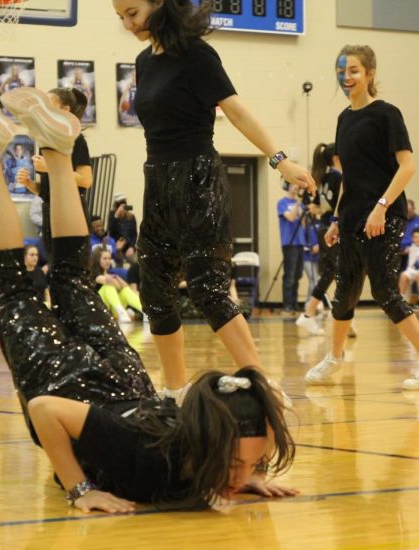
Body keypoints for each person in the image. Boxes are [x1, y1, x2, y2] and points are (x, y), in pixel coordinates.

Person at [0, 90, 297, 511]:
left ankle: (60, 152)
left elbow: (261, 415)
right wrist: (80, 489)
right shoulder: (148, 455)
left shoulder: (207, 427)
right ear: (210, 441)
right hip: (68, 388)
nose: (242, 476)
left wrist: (251, 474)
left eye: (251, 465)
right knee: (12, 286)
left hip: (126, 379)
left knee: (73, 279)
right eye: (237, 464)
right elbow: (45, 410)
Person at [113, 0, 314, 398]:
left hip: (198, 181)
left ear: (159, 4)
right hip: (158, 183)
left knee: (208, 289)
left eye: (132, 13)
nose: (127, 24)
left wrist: (280, 161)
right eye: (120, 17)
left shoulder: (196, 54)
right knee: (154, 291)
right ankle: (176, 392)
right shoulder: (143, 61)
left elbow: (236, 110)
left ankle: (263, 386)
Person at [305, 45, 419, 390]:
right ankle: (334, 357)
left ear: (370, 73)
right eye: (342, 71)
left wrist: (382, 206)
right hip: (353, 217)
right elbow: (349, 177)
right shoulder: (344, 119)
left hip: (384, 215)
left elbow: (407, 166)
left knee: (385, 290)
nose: (346, 77)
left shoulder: (387, 114)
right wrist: (338, 220)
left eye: (353, 70)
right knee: (345, 292)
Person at [17, 88, 93, 253]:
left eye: (48, 105)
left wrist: (51, 167)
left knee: (70, 266)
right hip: (49, 210)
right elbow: (47, 190)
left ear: (65, 110)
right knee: (54, 266)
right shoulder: (46, 141)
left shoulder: (76, 139)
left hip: (71, 210)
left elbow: (86, 180)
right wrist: (30, 184)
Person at [296, 142, 349, 336]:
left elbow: (316, 207)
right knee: (340, 273)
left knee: (332, 273)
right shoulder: (339, 177)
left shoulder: (324, 177)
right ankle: (313, 315)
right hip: (334, 230)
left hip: (323, 228)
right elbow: (342, 205)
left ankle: (342, 318)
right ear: (337, 157)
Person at [90, 245, 143, 323]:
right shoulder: (93, 274)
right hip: (100, 309)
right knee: (108, 286)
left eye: (109, 258)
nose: (108, 261)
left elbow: (126, 287)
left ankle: (145, 312)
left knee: (125, 291)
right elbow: (106, 281)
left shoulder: (112, 274)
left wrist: (117, 277)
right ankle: (121, 311)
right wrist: (116, 281)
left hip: (113, 310)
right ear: (97, 260)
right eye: (105, 258)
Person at [277, 184, 306, 314]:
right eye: (293, 185)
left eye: (297, 185)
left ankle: (294, 303)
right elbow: (290, 217)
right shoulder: (282, 203)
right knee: (289, 275)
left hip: (300, 242)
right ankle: (287, 305)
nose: (296, 187)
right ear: (287, 186)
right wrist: (299, 202)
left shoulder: (301, 205)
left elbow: (304, 224)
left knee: (298, 275)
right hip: (289, 243)